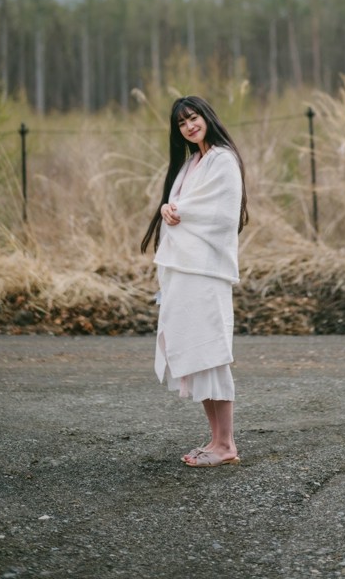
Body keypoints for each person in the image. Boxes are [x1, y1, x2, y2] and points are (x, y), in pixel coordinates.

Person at [141, 95, 249, 468]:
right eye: (182, 123)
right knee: (195, 353)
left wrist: (179, 211)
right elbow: (181, 206)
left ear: (207, 117)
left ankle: (226, 443)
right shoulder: (191, 164)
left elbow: (219, 213)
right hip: (186, 272)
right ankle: (217, 441)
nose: (189, 126)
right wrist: (166, 208)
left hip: (206, 272)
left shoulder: (223, 159)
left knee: (212, 353)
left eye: (194, 117)